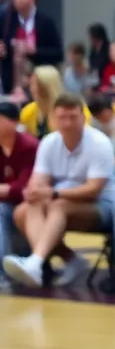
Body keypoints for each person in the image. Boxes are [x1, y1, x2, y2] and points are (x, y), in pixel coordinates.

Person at [2, 93, 115, 288]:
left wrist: (52, 193)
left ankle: (36, 262)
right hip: (59, 201)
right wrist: (35, 190)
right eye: (62, 118)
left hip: (101, 207)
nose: (67, 123)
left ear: (83, 117)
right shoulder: (49, 142)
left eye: (73, 117)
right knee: (23, 210)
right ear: (53, 119)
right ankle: (70, 260)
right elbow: (39, 180)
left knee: (59, 206)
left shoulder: (99, 143)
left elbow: (93, 190)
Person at [0, 100, 38, 264]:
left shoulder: (30, 147)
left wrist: (9, 190)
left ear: (15, 122)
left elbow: (23, 188)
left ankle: (1, 271)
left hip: (29, 203)